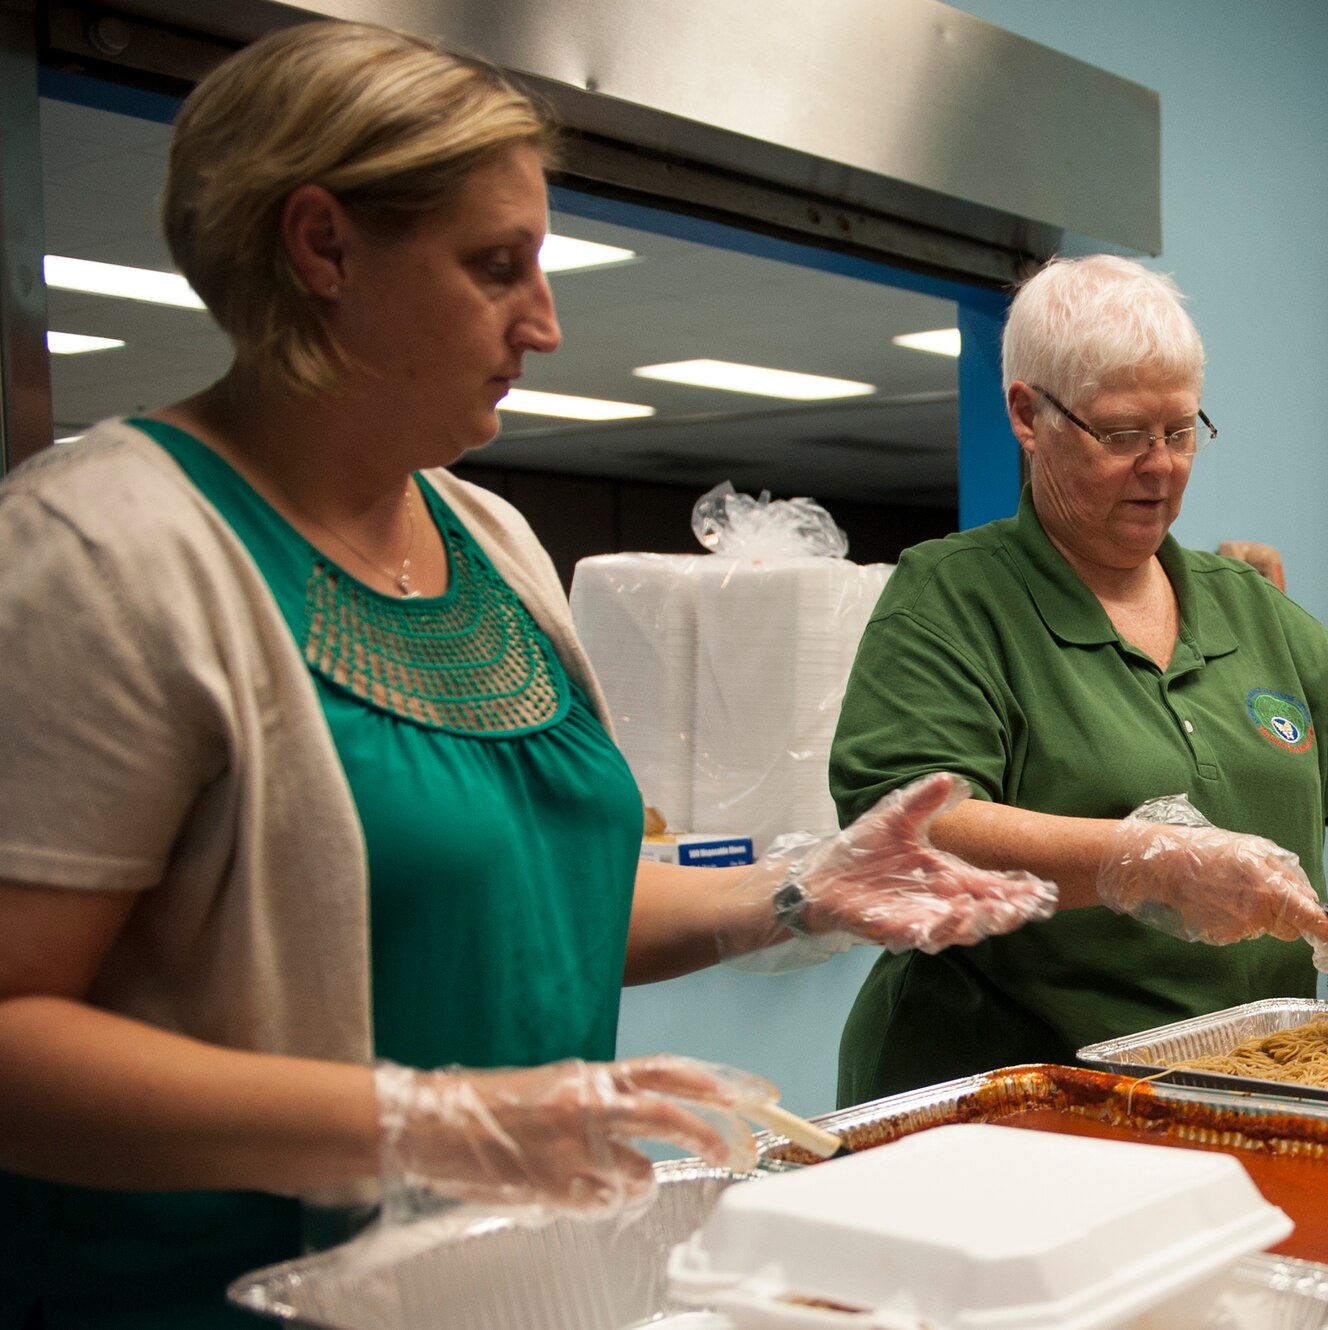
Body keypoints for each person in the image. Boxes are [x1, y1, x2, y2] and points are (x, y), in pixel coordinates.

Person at [0, 23, 1055, 1329]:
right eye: (497, 267)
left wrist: (796, 895)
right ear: (322, 245)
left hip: (506, 1286)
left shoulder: (487, 542)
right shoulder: (110, 547)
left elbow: (543, 904)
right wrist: (414, 1118)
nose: (545, 323)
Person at [829, 254, 1328, 1106]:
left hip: (1233, 1085)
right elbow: (908, 837)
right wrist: (1136, 862)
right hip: (1013, 1100)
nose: (1162, 467)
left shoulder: (1240, 605)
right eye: (1122, 435)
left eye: (1180, 432)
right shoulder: (952, 600)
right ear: (1029, 416)